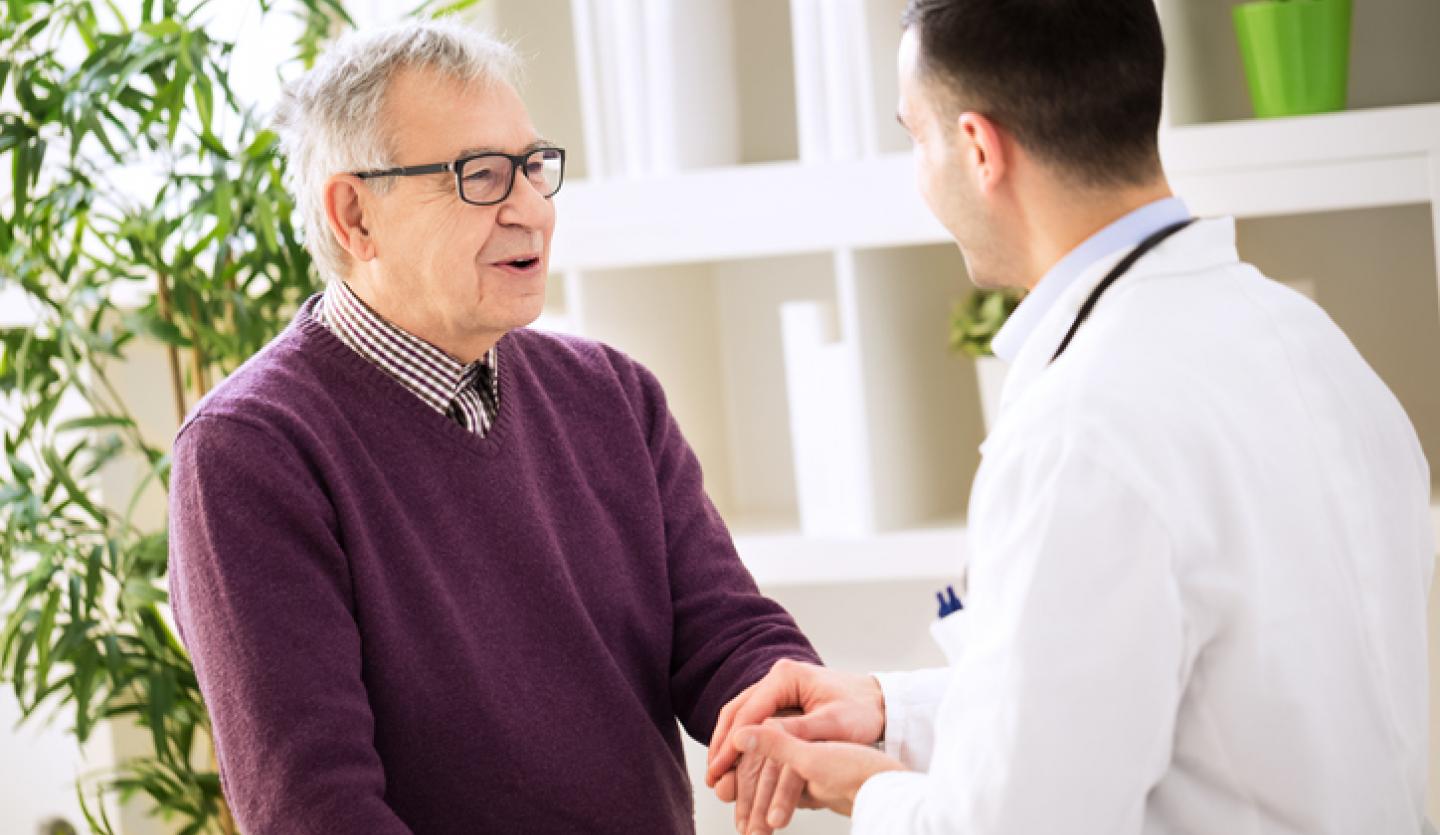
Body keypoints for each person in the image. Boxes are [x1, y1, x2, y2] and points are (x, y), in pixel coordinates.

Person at [705, 1, 1435, 833]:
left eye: (916, 137)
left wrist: (862, 787)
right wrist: (887, 708)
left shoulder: (1083, 429)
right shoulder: (1319, 348)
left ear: (978, 149)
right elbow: (1151, 696)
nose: (919, 175)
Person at [166, 20, 819, 834]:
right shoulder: (249, 452)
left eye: (533, 168)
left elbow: (724, 634)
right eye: (479, 176)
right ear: (354, 215)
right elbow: (315, 809)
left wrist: (790, 703)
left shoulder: (614, 393)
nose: (531, 210)